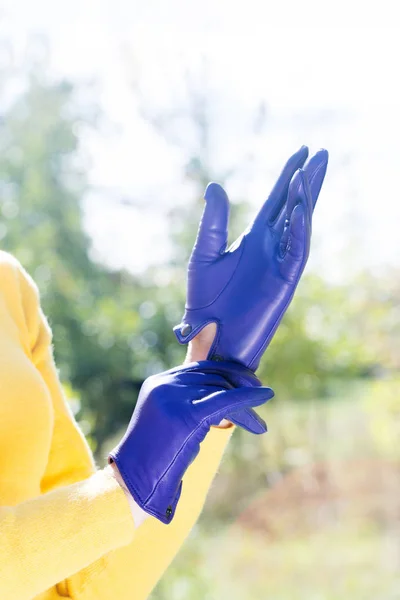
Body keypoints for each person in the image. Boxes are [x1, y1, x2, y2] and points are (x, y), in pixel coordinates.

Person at [0, 146, 328, 600]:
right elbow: (114, 504)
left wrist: (211, 366)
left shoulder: (8, 289)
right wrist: (130, 482)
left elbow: (85, 580)